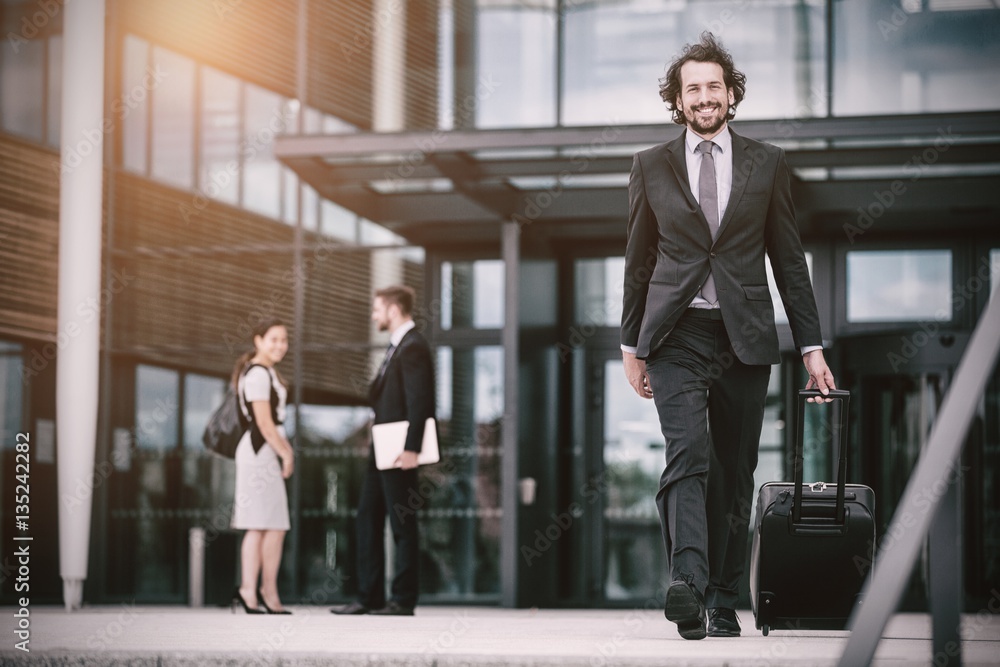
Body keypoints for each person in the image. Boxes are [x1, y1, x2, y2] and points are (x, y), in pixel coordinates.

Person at [620, 33, 835, 640]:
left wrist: (812, 346)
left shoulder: (767, 163)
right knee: (686, 452)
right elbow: (637, 260)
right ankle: (687, 583)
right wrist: (630, 345)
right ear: (678, 99)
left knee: (735, 469)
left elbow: (789, 261)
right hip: (674, 333)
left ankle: (721, 597)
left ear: (732, 93)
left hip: (742, 335)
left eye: (714, 86)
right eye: (693, 88)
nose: (705, 96)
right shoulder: (650, 165)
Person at [332, 285, 436, 616]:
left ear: (393, 310)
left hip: (398, 450)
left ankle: (403, 600)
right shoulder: (398, 347)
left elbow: (420, 401)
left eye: (377, 309)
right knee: (368, 517)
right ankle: (369, 596)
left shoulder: (413, 346)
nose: (374, 315)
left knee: (402, 525)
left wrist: (411, 449)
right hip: (382, 449)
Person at [230, 318, 295, 615]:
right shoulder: (257, 374)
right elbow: (265, 423)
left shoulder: (265, 372)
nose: (280, 345)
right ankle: (256, 590)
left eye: (284, 340)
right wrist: (286, 453)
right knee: (261, 524)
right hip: (260, 453)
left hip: (263, 453)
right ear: (258, 341)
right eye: (274, 339)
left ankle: (258, 591)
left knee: (270, 525)